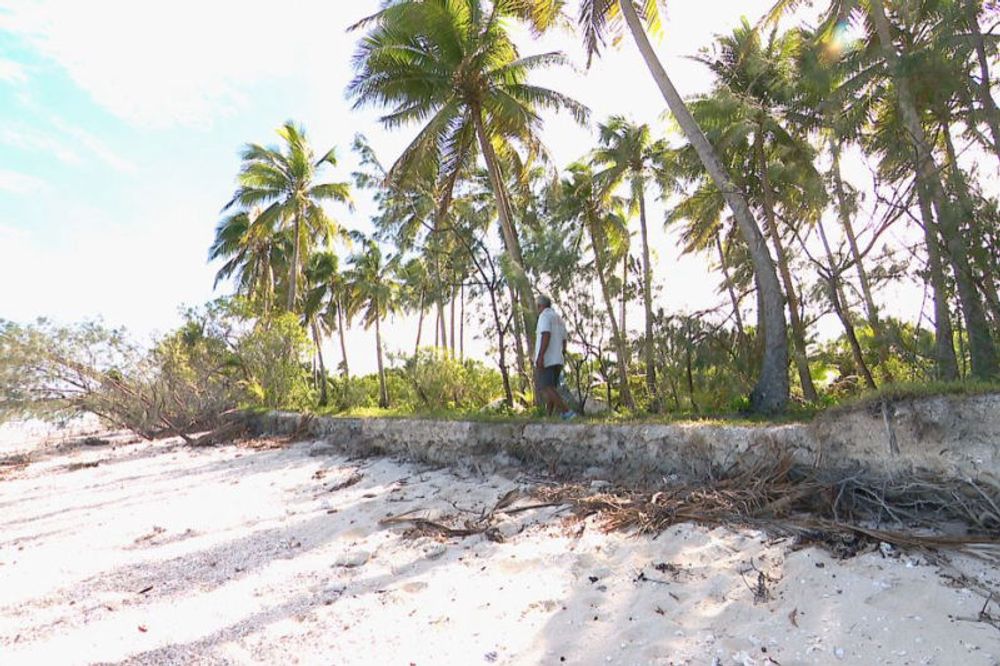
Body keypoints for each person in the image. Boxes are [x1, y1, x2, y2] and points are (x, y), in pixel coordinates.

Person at [533, 294, 576, 419]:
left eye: (537, 307)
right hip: (558, 359)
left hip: (547, 358)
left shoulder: (544, 316)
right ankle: (548, 416)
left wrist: (540, 356)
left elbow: (546, 334)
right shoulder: (559, 319)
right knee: (552, 389)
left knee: (547, 387)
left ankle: (567, 412)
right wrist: (562, 354)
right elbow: (564, 341)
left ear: (540, 306)